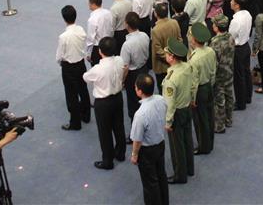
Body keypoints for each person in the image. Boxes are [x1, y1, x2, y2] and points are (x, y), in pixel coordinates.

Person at [83, 36, 127, 170]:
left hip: (103, 102)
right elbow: (125, 68)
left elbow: (85, 77)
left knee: (105, 131)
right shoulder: (119, 60)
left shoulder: (98, 68)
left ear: (100, 51)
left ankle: (107, 161)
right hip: (118, 97)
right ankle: (120, 153)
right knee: (119, 126)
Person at [129, 74, 169, 205]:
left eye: (136, 87)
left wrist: (134, 155)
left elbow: (137, 139)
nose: (134, 88)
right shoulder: (160, 99)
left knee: (150, 183)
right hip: (161, 144)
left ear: (140, 91)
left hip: (147, 151)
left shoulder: (140, 114)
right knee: (161, 175)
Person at [163, 37, 195, 184]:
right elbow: (194, 84)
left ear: (172, 57)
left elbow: (170, 103)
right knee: (188, 139)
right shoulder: (187, 67)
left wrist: (168, 122)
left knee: (177, 146)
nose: (165, 56)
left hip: (177, 113)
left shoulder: (171, 78)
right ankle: (190, 168)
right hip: (187, 107)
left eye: (167, 54)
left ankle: (180, 175)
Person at [57, 5, 92, 131]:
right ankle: (86, 115)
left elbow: (59, 56)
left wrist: (61, 63)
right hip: (80, 64)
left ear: (64, 19)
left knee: (71, 95)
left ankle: (75, 122)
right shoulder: (81, 30)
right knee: (83, 90)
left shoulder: (63, 37)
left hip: (68, 66)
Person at [188, 22, 216, 155]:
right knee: (210, 116)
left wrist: (192, 99)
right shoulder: (210, 51)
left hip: (199, 91)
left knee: (200, 120)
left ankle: (203, 146)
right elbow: (213, 71)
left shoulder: (194, 59)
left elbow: (193, 82)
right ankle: (210, 142)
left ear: (194, 39)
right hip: (209, 86)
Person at [121, 12, 150, 128]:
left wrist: (122, 80)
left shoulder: (127, 45)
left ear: (127, 25)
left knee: (133, 105)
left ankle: (136, 132)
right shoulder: (145, 35)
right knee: (145, 99)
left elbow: (125, 67)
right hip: (144, 69)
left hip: (133, 75)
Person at [210, 14, 235, 133]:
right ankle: (229, 119)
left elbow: (213, 62)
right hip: (229, 72)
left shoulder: (215, 42)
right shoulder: (230, 37)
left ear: (216, 27)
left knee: (219, 100)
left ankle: (219, 126)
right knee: (229, 96)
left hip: (219, 75)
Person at [229, 0, 253, 110]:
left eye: (232, 1)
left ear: (237, 5)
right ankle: (248, 96)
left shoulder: (235, 20)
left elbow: (231, 36)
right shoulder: (247, 14)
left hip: (238, 49)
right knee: (246, 73)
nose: (230, 2)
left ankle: (240, 103)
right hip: (246, 46)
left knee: (238, 78)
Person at [151, 3, 181, 90]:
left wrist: (169, 59)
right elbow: (180, 40)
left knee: (163, 89)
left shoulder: (155, 30)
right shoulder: (174, 22)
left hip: (162, 66)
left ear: (155, 14)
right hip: (175, 61)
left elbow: (158, 50)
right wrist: (174, 57)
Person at [86, 0, 114, 66]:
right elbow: (112, 29)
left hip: (98, 49)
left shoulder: (92, 19)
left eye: (89, 3)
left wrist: (88, 54)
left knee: (98, 69)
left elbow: (90, 39)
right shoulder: (108, 13)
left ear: (93, 4)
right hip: (109, 43)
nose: (88, 5)